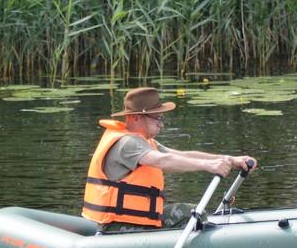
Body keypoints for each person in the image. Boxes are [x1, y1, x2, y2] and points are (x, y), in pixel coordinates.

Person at [82, 86, 256, 232]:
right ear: (135, 117)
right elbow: (162, 161)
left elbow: (180, 155)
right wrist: (208, 166)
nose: (161, 124)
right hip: (120, 227)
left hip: (138, 220)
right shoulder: (128, 143)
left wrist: (230, 160)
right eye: (157, 118)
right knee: (191, 216)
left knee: (192, 213)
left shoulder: (143, 142)